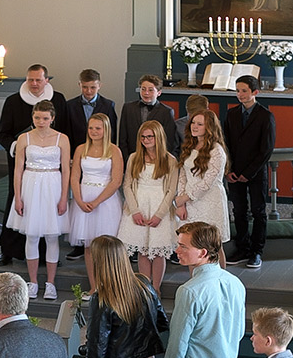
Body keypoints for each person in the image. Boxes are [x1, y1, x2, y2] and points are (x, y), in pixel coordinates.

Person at [157, 221, 248, 358]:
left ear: (203, 252)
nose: (176, 250)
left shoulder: (189, 291)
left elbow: (178, 345)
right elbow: (238, 333)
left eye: (183, 246)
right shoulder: (236, 283)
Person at [0, 65, 69, 266]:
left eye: (38, 80)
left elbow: (66, 129)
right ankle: (8, 250)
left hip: (51, 165)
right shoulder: (12, 101)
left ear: (47, 80)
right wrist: (17, 147)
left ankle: (47, 255)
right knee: (17, 202)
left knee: (48, 207)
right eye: (30, 80)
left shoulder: (59, 100)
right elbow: (2, 134)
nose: (34, 84)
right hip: (23, 164)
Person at [77, 235, 167, 358]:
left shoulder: (101, 298)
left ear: (99, 262)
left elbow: (97, 349)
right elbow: (162, 325)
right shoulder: (144, 284)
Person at [6, 99, 70, 300]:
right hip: (30, 184)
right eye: (36, 117)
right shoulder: (24, 138)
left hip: (53, 184)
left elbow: (66, 170)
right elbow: (18, 170)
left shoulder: (62, 139)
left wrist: (63, 198)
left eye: (44, 118)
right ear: (32, 117)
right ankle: (33, 282)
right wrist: (18, 197)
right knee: (31, 236)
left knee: (52, 236)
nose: (40, 121)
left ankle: (50, 283)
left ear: (52, 118)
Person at [58, 69, 119, 261]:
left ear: (99, 86)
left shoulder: (108, 105)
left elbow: (112, 131)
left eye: (92, 87)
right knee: (82, 220)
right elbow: (65, 131)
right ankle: (80, 243)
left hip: (102, 162)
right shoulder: (69, 106)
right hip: (80, 155)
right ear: (80, 85)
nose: (89, 91)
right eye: (85, 87)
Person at [117, 119, 180, 292]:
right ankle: (145, 287)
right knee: (143, 249)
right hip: (139, 206)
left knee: (158, 250)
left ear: (158, 137)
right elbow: (127, 185)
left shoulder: (170, 160)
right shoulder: (134, 158)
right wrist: (135, 211)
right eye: (143, 137)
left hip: (160, 207)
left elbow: (171, 190)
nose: (146, 140)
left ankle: (156, 288)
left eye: (150, 136)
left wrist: (159, 214)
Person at [222, 73, 275, 269]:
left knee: (258, 211)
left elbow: (266, 149)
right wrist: (230, 169)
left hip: (256, 173)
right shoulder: (232, 114)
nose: (240, 94)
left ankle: (256, 251)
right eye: (237, 91)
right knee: (239, 211)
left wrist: (249, 172)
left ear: (255, 92)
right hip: (234, 172)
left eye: (244, 91)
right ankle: (242, 247)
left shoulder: (265, 116)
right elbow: (225, 143)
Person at [68, 113, 124, 263]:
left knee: (106, 247)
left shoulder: (114, 151)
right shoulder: (81, 149)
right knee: (89, 246)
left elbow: (116, 181)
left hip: (105, 201)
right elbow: (74, 177)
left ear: (106, 129)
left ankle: (108, 284)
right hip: (84, 196)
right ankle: (94, 286)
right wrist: (79, 200)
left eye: (98, 128)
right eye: (91, 128)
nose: (93, 131)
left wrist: (96, 202)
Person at [175, 108, 232, 250]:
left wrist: (186, 197)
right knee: (191, 246)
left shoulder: (217, 150)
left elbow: (207, 183)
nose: (194, 126)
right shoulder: (190, 146)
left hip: (209, 201)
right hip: (189, 203)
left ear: (209, 127)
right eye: (193, 123)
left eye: (200, 124)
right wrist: (181, 202)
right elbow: (183, 174)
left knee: (212, 247)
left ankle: (218, 273)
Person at [117, 74, 180, 157]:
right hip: (132, 156)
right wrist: (126, 159)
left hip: (156, 157)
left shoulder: (166, 112)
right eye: (143, 89)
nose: (146, 93)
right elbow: (123, 138)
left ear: (159, 92)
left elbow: (169, 140)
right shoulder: (128, 108)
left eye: (150, 90)